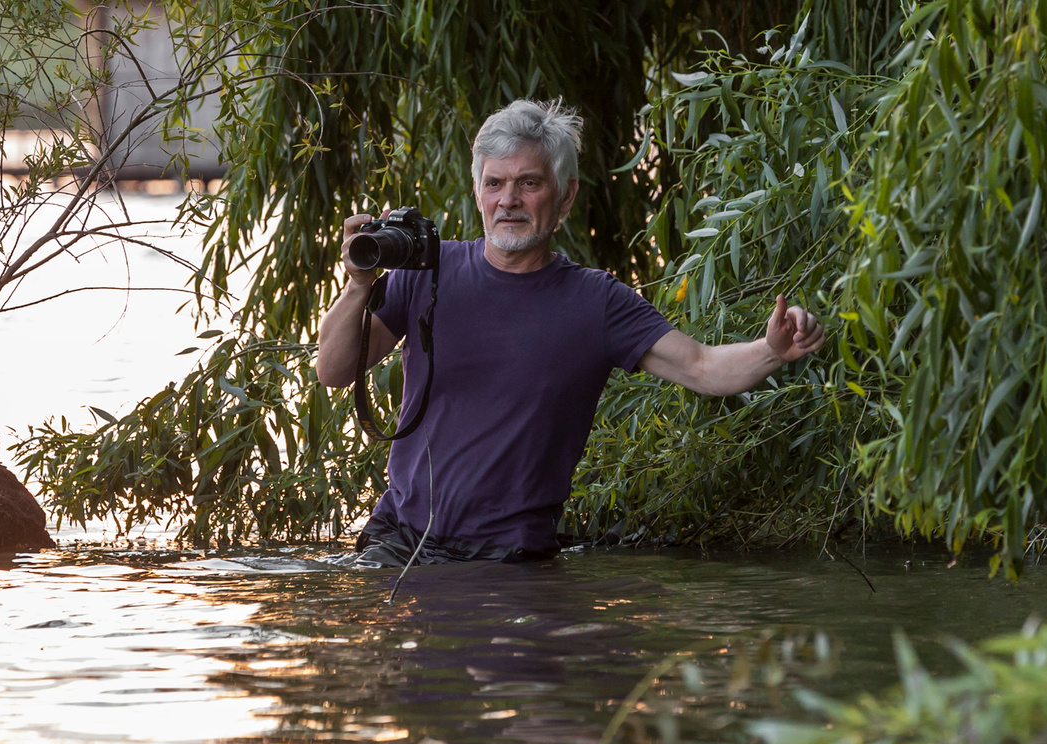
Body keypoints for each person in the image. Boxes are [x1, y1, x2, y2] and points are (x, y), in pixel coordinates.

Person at [315, 98, 824, 566]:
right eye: (494, 183)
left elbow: (702, 367)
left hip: (507, 559)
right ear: (477, 192)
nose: (508, 200)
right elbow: (333, 370)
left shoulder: (596, 302)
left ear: (565, 196)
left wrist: (772, 349)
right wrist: (359, 285)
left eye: (528, 183)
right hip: (398, 541)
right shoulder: (427, 271)